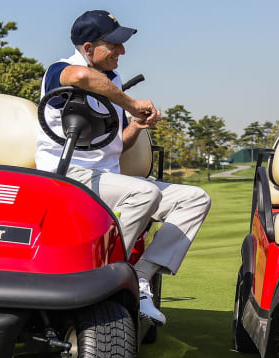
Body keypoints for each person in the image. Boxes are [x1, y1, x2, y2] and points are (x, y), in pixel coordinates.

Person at [35, 10, 211, 326]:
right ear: (87, 49)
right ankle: (103, 281)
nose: (122, 51)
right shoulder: (59, 70)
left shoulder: (112, 82)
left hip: (105, 179)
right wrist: (131, 104)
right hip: (67, 177)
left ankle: (139, 278)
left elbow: (115, 145)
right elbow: (80, 78)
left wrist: (137, 126)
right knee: (143, 193)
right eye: (113, 44)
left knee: (195, 199)